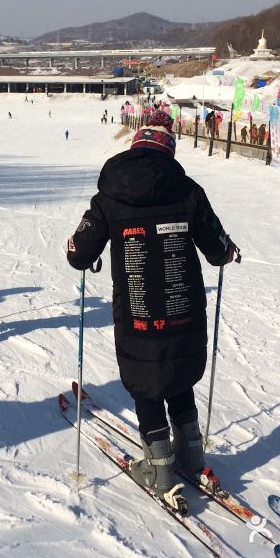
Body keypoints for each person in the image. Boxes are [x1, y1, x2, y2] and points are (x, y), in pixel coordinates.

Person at [66, 110, 237, 514]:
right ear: (168, 150)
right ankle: (191, 457)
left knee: (146, 382)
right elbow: (217, 247)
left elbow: (81, 252)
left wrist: (74, 248)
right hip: (185, 312)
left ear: (136, 145)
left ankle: (159, 470)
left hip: (139, 315)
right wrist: (228, 250)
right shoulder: (188, 190)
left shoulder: (110, 196)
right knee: (178, 376)